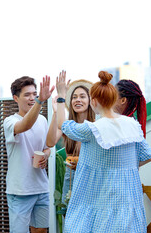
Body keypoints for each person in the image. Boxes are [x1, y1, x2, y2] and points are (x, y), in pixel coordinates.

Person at [56, 71, 151, 232]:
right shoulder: (132, 125)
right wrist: (123, 167)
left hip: (99, 200)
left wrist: (61, 96)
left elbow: (62, 124)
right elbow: (147, 157)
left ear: (93, 101)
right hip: (127, 202)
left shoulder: (92, 128)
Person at [3, 76, 54, 233]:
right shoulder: (10, 121)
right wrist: (40, 102)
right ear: (15, 98)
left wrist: (45, 156)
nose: (32, 98)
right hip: (20, 190)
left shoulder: (43, 120)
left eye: (35, 94)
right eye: (27, 95)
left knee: (41, 230)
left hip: (41, 187)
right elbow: (25, 125)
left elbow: (47, 147)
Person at [46, 76, 95, 207]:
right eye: (74, 97)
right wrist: (56, 112)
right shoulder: (67, 124)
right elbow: (50, 142)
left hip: (92, 177)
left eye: (82, 96)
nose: (78, 100)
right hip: (71, 178)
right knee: (69, 218)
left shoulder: (96, 125)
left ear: (91, 100)